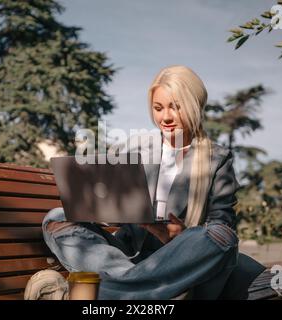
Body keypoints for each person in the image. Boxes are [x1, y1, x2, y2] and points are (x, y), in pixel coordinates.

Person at [39, 65, 265, 300]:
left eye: (175, 107)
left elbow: (220, 225)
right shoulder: (136, 146)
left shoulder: (217, 159)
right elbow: (107, 205)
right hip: (127, 258)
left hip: (180, 263)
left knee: (222, 237)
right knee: (57, 217)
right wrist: (106, 209)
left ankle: (106, 294)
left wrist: (179, 236)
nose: (165, 117)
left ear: (194, 105)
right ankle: (148, 292)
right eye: (158, 108)